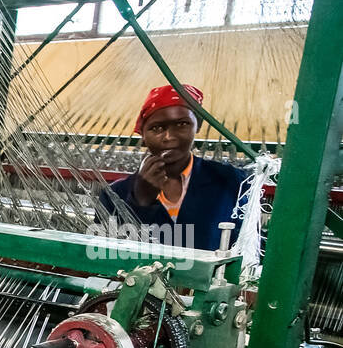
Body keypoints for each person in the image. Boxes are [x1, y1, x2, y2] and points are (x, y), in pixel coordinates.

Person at [99, 84, 248, 252]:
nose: (169, 137)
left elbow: (249, 247)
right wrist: (139, 202)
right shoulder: (113, 195)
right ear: (143, 136)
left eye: (182, 124)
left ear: (197, 126)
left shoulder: (231, 182)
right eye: (156, 128)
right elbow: (105, 255)